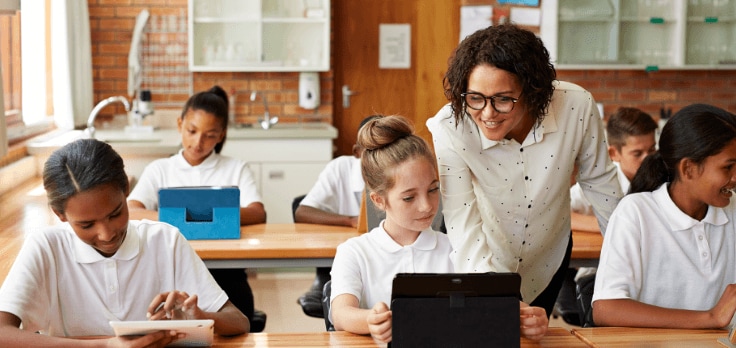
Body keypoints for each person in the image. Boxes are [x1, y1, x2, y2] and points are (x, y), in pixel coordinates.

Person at [426, 23, 622, 317]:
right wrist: (491, 296)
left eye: (503, 99)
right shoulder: (450, 127)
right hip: (483, 252)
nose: (488, 114)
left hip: (548, 256)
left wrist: (628, 262)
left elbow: (602, 186)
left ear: (533, 91)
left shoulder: (576, 106)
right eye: (475, 98)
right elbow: (461, 219)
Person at [0, 139, 248, 347]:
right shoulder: (46, 247)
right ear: (60, 214)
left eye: (115, 213)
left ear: (126, 190)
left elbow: (238, 321)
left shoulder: (165, 240)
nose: (106, 234)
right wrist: (104, 345)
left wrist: (200, 317)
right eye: (87, 225)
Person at [329, 115, 549, 343]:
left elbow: (492, 300)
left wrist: (527, 317)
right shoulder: (354, 252)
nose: (426, 206)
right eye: (409, 197)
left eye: (433, 190)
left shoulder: (456, 246)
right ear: (378, 200)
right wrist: (370, 321)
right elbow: (341, 313)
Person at [128, 86, 266, 326]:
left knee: (236, 321)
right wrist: (184, 216)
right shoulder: (160, 169)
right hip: (169, 277)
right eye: (192, 131)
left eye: (210, 135)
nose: (198, 142)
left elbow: (257, 212)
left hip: (226, 276)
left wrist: (186, 216)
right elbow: (132, 210)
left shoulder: (235, 168)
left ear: (222, 135)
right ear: (180, 123)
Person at [592, 103, 736, 328]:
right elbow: (606, 309)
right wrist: (710, 318)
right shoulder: (636, 212)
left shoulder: (733, 209)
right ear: (688, 169)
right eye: (728, 167)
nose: (735, 177)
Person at [294, 115, 381, 318]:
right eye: (372, 151)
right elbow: (302, 211)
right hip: (345, 262)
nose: (381, 158)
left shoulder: (400, 172)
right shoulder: (340, 168)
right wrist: (350, 220)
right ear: (357, 152)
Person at [571, 107, 658, 232]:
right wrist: (612, 224)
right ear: (613, 154)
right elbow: (557, 215)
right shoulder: (599, 182)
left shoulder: (665, 178)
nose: (648, 159)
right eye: (637, 154)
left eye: (652, 150)